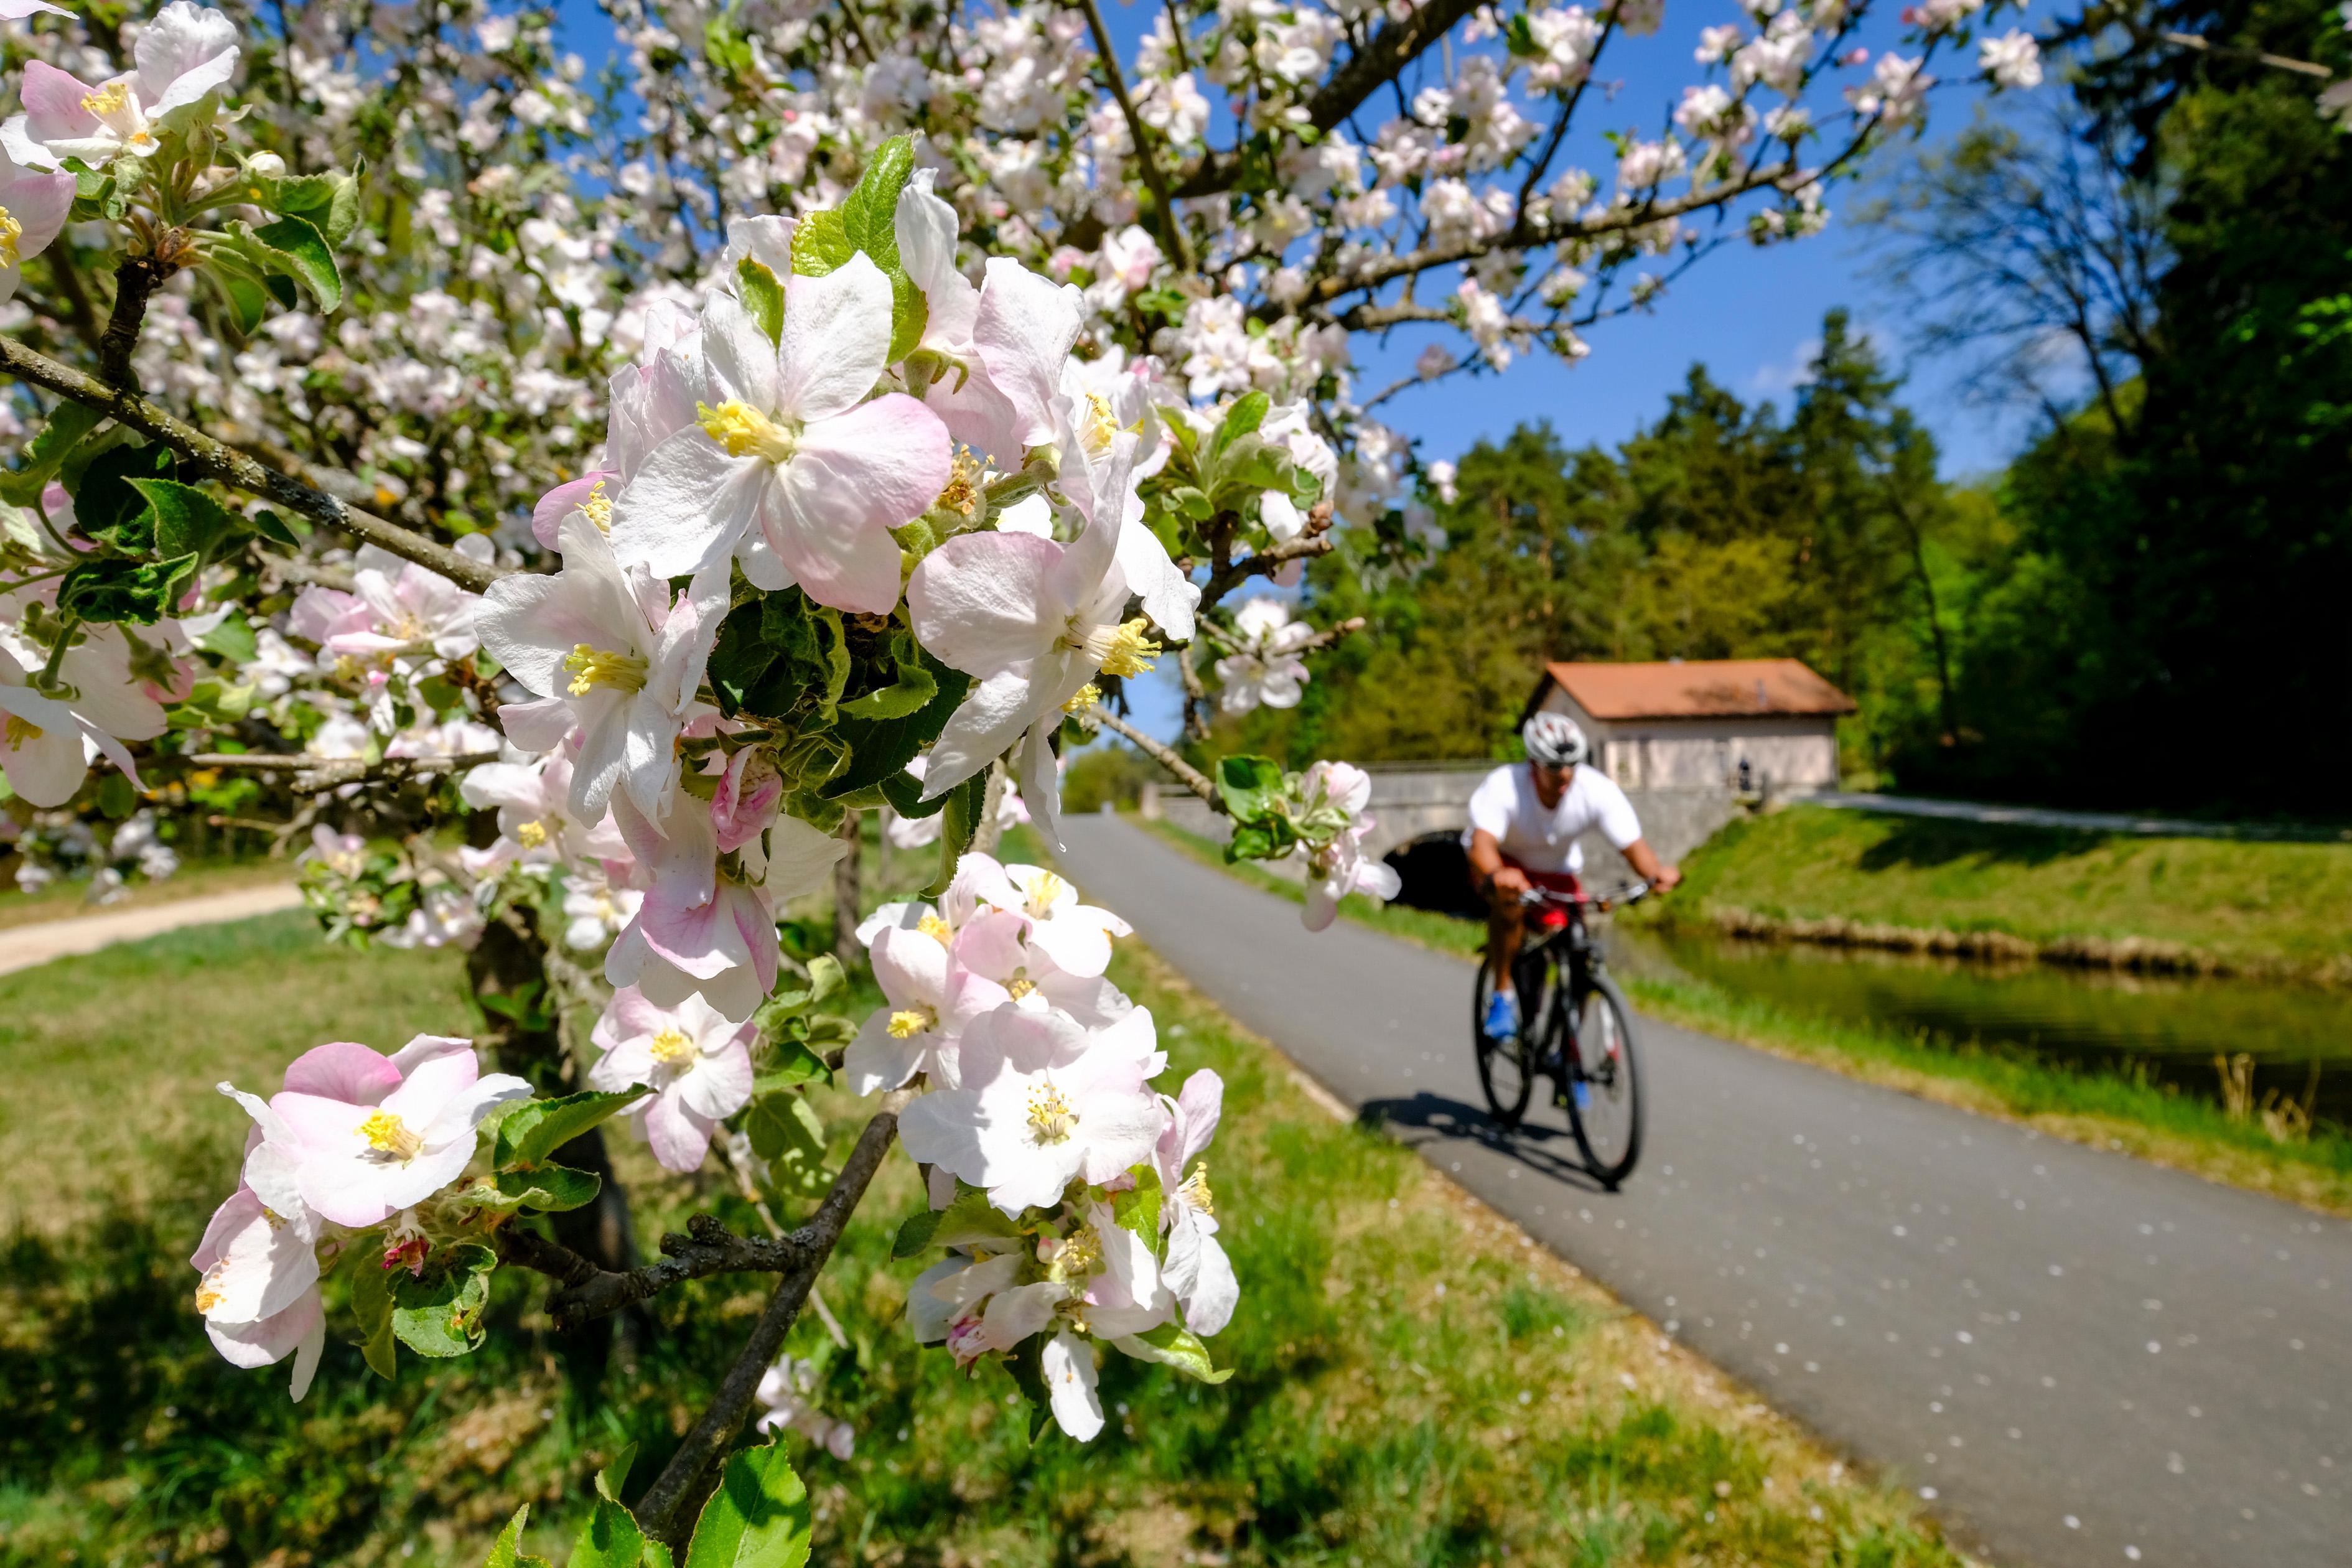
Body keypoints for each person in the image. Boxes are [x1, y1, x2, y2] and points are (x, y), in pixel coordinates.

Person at [1464, 711, 1682, 1040]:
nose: (1565, 775)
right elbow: (1481, 844)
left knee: (1579, 954)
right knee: (1509, 905)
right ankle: (1502, 995)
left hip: (1557, 873)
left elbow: (1633, 846)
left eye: (1572, 765)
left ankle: (1569, 1052)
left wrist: (1655, 873)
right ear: (1534, 764)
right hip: (1506, 865)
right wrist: (1498, 873)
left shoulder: (1596, 790)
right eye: (1554, 767)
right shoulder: (1504, 785)